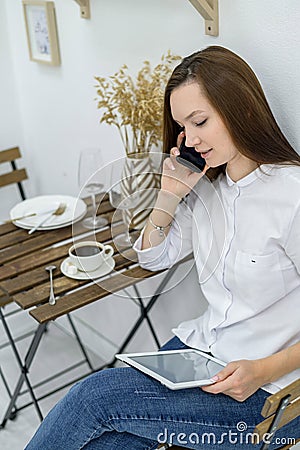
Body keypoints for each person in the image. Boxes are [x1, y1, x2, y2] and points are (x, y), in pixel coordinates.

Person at [26, 46, 300, 449]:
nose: (189, 138)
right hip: (200, 354)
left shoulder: (291, 194)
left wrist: (263, 369)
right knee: (111, 442)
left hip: (267, 392)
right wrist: (170, 194)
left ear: (240, 110)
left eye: (200, 121)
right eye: (182, 127)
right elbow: (153, 256)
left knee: (94, 398)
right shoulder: (210, 188)